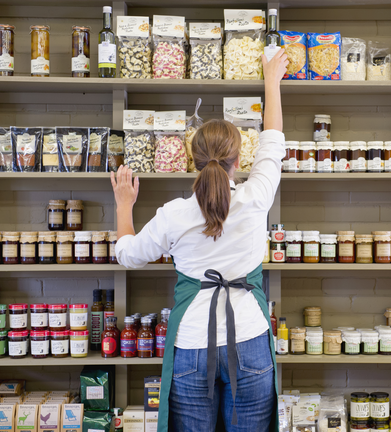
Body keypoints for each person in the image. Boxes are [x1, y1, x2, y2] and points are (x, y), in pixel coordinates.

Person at [111, 49, 289, 432]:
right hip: (251, 340)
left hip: (192, 345)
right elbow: (273, 143)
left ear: (193, 161)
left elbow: (127, 255)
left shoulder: (173, 214)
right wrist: (271, 82)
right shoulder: (256, 197)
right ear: (239, 159)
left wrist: (124, 205)